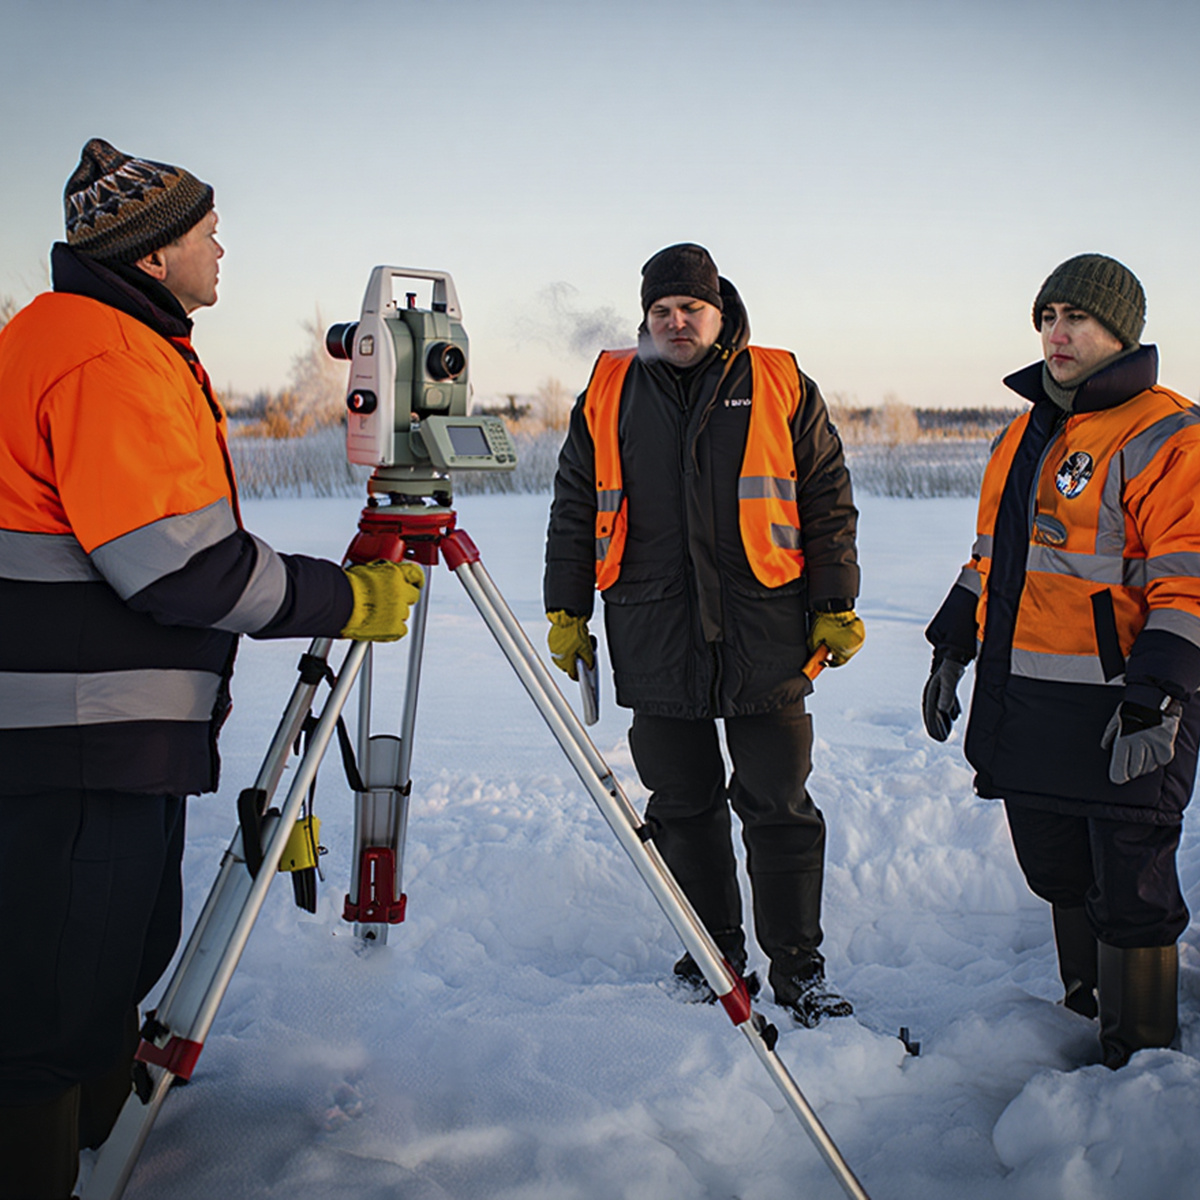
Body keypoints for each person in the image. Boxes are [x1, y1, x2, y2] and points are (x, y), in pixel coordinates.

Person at [0, 138, 423, 1199]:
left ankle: (105, 1138)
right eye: (204, 231)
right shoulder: (103, 357)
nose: (220, 246)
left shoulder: (98, 339)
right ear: (149, 255)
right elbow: (177, 569)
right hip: (74, 733)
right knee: (53, 1001)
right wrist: (344, 596)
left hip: (92, 727)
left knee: (101, 968)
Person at [543, 243, 863, 1026]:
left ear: (721, 312)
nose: (676, 322)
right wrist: (566, 609)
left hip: (768, 630)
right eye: (662, 311)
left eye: (691, 309)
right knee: (681, 808)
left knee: (780, 804)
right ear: (645, 318)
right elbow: (574, 504)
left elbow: (826, 497)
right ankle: (713, 955)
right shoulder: (610, 388)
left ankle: (799, 970)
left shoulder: (779, 382)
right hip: (653, 628)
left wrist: (836, 599)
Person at [923, 254, 1200, 1069]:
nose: (1058, 331)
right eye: (1047, 316)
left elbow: (1188, 579)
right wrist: (951, 646)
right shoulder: (1023, 432)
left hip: (1131, 702)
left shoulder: (1168, 433)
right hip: (1033, 703)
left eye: (1077, 316)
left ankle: (1140, 1054)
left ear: (1121, 333)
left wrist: (1157, 693)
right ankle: (1084, 1011)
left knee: (1132, 881)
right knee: (1056, 867)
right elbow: (992, 562)